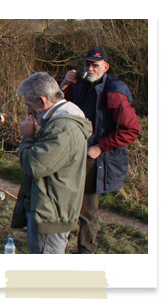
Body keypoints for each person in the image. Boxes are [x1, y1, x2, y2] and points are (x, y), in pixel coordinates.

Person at [59, 47, 141, 254]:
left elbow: (131, 130)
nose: (90, 68)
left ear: (105, 67)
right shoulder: (77, 85)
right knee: (65, 204)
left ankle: (86, 253)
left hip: (94, 158)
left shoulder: (115, 91)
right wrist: (64, 84)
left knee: (86, 211)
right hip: (70, 153)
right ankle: (59, 248)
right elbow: (58, 107)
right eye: (87, 64)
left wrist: (99, 147)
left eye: (95, 65)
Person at [12, 72, 92, 254]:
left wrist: (27, 138)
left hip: (51, 215)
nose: (28, 111)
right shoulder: (60, 123)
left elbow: (35, 166)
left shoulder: (63, 128)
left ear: (42, 101)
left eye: (28, 105)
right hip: (51, 210)